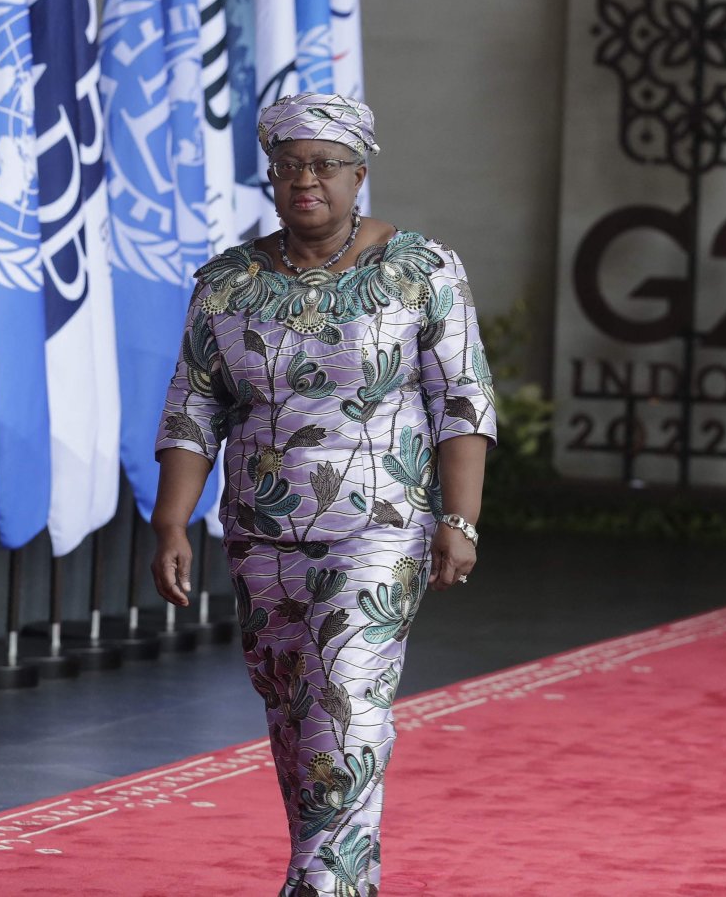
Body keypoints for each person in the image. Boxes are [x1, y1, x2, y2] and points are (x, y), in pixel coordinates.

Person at [150, 93, 496, 896]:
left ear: (359, 174)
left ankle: (321, 885)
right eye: (290, 166)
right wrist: (173, 521)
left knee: (348, 699)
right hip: (261, 537)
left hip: (377, 527)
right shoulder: (227, 282)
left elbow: (464, 399)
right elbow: (194, 406)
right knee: (293, 708)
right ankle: (338, 872)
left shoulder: (419, 269)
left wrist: (459, 518)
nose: (307, 180)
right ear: (271, 177)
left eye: (326, 165)